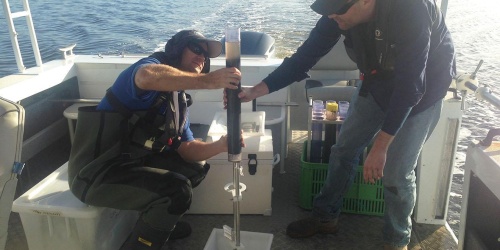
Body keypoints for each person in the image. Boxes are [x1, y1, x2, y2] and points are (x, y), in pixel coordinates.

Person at [232, 0, 455, 249]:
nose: (332, 16)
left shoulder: (411, 9)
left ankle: (397, 240)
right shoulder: (337, 14)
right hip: (376, 84)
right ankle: (325, 217)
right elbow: (304, 57)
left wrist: (381, 146)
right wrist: (256, 90)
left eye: (338, 10)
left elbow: (411, 86)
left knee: (397, 173)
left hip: (422, 94)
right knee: (343, 151)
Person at [68, 30, 243, 250]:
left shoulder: (177, 99)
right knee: (176, 191)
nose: (202, 57)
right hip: (94, 174)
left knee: (195, 168)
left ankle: (158, 221)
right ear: (178, 48)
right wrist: (209, 81)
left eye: (206, 56)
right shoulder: (149, 68)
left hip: (129, 163)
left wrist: (222, 145)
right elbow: (146, 76)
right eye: (196, 49)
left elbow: (187, 149)